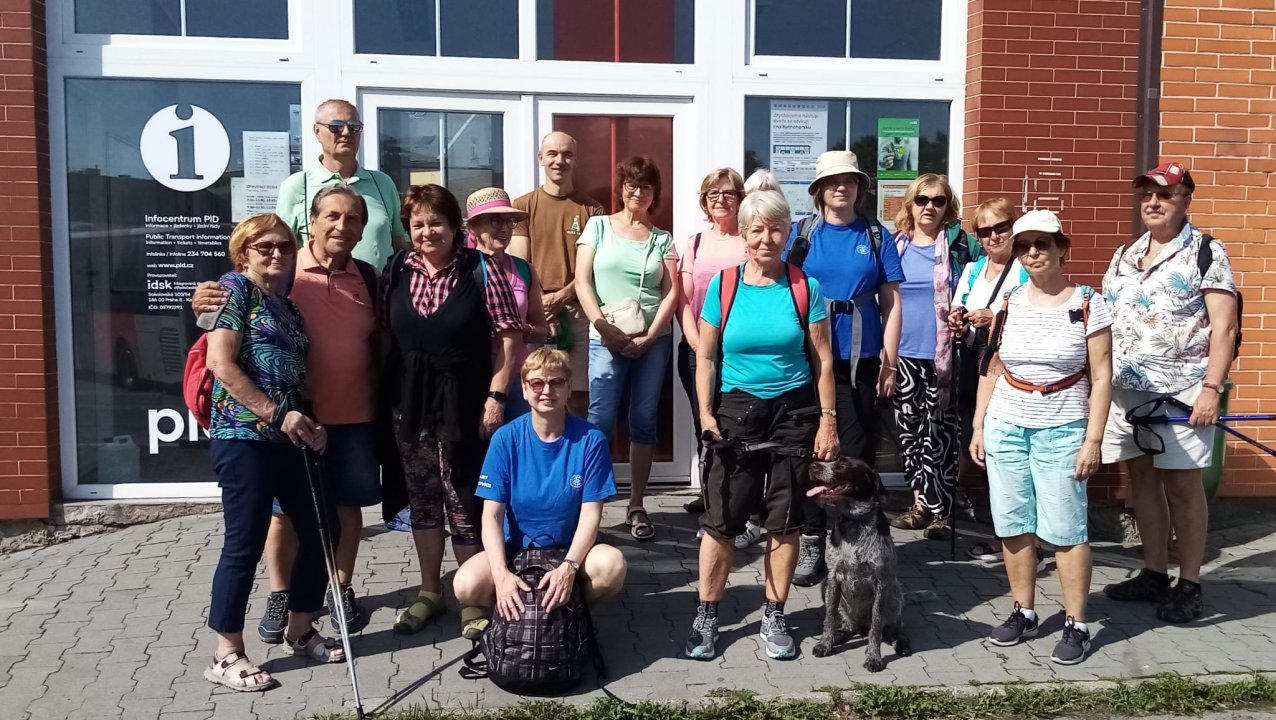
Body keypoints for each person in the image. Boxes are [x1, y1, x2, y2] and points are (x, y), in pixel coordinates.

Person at [191, 186, 382, 638]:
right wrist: (201, 301)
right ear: (311, 223)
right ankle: (265, 610)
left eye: (352, 218)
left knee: (337, 514)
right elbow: (220, 352)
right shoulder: (271, 279)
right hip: (262, 430)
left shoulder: (366, 279)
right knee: (262, 529)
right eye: (331, 216)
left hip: (338, 417)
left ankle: (332, 597)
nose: (341, 226)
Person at [686, 189, 839, 661]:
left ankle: (775, 613)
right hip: (736, 411)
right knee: (722, 520)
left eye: (776, 228)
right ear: (745, 235)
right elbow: (707, 355)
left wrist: (827, 421)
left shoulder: (803, 287)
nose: (767, 238)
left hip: (794, 413)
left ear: (788, 232)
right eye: (757, 229)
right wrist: (706, 412)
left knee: (786, 520)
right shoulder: (724, 285)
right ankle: (707, 614)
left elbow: (824, 362)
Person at [202, 213, 345, 692]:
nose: (278, 254)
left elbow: (293, 377)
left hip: (289, 438)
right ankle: (226, 653)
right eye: (265, 246)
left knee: (323, 526)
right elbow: (220, 363)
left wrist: (310, 423)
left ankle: (301, 628)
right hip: (242, 437)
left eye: (285, 245)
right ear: (244, 251)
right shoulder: (234, 289)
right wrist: (274, 414)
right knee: (244, 541)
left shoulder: (286, 305)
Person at [969, 209, 1112, 665]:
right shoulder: (1009, 301)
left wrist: (1093, 439)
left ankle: (1076, 623)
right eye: (1025, 245)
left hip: (1064, 427)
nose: (1033, 253)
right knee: (1013, 523)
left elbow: (1103, 376)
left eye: (1043, 244)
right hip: (1007, 424)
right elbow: (992, 366)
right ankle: (1023, 611)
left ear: (1062, 249)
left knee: (1066, 528)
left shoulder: (1089, 303)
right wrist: (978, 425)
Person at [381, 184, 522, 638]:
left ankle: (470, 596)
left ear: (455, 226)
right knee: (423, 499)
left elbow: (507, 339)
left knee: (464, 497)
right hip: (410, 403)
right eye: (417, 224)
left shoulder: (480, 268)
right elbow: (385, 333)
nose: (426, 232)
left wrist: (496, 396)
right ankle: (428, 592)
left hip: (464, 401)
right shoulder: (396, 269)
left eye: (435, 223)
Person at [1100, 162, 1238, 623]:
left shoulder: (1206, 252)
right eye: (1146, 195)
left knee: (1182, 486)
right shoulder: (1125, 253)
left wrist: (1211, 390)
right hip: (1126, 391)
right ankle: (1154, 572)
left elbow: (1225, 327)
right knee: (1141, 484)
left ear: (1186, 200)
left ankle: (1191, 582)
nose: (1153, 203)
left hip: (1180, 392)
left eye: (1165, 194)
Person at [783, 150, 903, 586]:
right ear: (818, 189)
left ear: (859, 187)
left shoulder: (875, 234)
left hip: (860, 361)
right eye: (833, 181)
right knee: (810, 453)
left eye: (850, 181)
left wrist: (889, 361)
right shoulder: (801, 234)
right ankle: (813, 540)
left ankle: (853, 538)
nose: (841, 187)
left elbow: (890, 301)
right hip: (808, 360)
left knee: (851, 453)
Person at [453, 348, 627, 627]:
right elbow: (491, 516)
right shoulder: (505, 439)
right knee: (466, 584)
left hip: (569, 550)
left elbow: (591, 515)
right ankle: (511, 616)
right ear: (524, 389)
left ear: (570, 388)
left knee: (612, 566)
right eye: (537, 382)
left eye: (556, 382)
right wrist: (500, 575)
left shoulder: (591, 440)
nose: (547, 390)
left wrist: (568, 569)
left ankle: (568, 615)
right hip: (515, 549)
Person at [574, 155, 678, 542]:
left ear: (655, 194)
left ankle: (636, 504)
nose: (638, 192)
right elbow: (582, 282)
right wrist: (602, 326)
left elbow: (671, 292)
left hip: (654, 341)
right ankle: (590, 508)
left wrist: (651, 335)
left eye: (646, 186)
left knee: (644, 420)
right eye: (631, 185)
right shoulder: (598, 227)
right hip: (606, 337)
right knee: (599, 422)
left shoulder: (662, 238)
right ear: (621, 189)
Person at [677, 169, 757, 546]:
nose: (721, 199)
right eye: (713, 193)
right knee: (706, 429)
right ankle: (714, 506)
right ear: (703, 200)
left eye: (729, 193)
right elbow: (684, 299)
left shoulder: (749, 241)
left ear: (740, 198)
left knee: (740, 430)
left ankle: (741, 509)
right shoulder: (694, 244)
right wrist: (696, 343)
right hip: (699, 351)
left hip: (740, 352)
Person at [950, 198, 1028, 562]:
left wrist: (993, 317)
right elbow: (957, 306)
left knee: (1006, 452)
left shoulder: (1025, 268)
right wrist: (958, 317)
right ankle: (1000, 531)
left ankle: (1019, 540)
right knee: (977, 452)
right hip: (973, 364)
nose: (994, 236)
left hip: (1011, 369)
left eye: (1001, 227)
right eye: (985, 231)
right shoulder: (972, 270)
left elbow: (1033, 314)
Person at [510, 132, 607, 417]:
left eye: (566, 154)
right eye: (552, 154)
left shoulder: (592, 210)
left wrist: (562, 297)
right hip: (533, 315)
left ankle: (573, 461)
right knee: (535, 393)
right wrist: (542, 305)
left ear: (575, 160)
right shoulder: (523, 206)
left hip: (577, 313)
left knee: (576, 398)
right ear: (541, 158)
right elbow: (519, 263)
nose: (559, 160)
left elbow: (593, 268)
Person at [888, 174, 961, 541]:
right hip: (903, 356)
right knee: (910, 434)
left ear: (948, 207)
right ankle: (919, 504)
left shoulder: (957, 250)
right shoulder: (895, 246)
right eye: (922, 200)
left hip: (941, 359)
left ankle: (942, 512)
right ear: (910, 204)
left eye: (938, 200)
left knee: (940, 435)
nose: (929, 206)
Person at [275, 99, 408, 271]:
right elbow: (280, 248)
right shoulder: (298, 185)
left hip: (375, 292)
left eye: (354, 127)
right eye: (336, 127)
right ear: (317, 131)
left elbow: (398, 243)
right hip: (318, 291)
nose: (346, 133)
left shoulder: (382, 183)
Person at [466, 187, 550, 421]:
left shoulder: (524, 269)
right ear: (474, 227)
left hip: (517, 378)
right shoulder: (463, 269)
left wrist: (522, 330)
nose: (504, 229)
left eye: (508, 222)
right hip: (474, 374)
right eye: (495, 221)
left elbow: (542, 330)